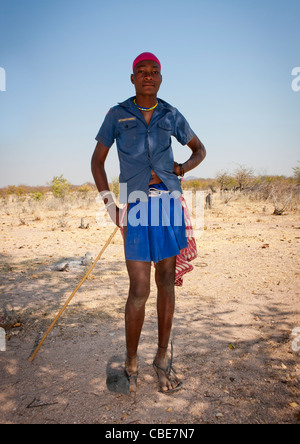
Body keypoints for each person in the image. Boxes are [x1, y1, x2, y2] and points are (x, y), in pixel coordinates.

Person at [91, 52, 206, 395]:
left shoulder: (171, 114)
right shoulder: (117, 115)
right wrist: (111, 206)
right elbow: (97, 162)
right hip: (136, 204)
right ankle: (131, 361)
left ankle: (160, 358)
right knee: (139, 288)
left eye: (154, 71)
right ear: (132, 78)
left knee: (166, 280)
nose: (148, 76)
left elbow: (199, 150)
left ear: (161, 78)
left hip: (168, 203)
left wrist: (181, 169)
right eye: (142, 71)